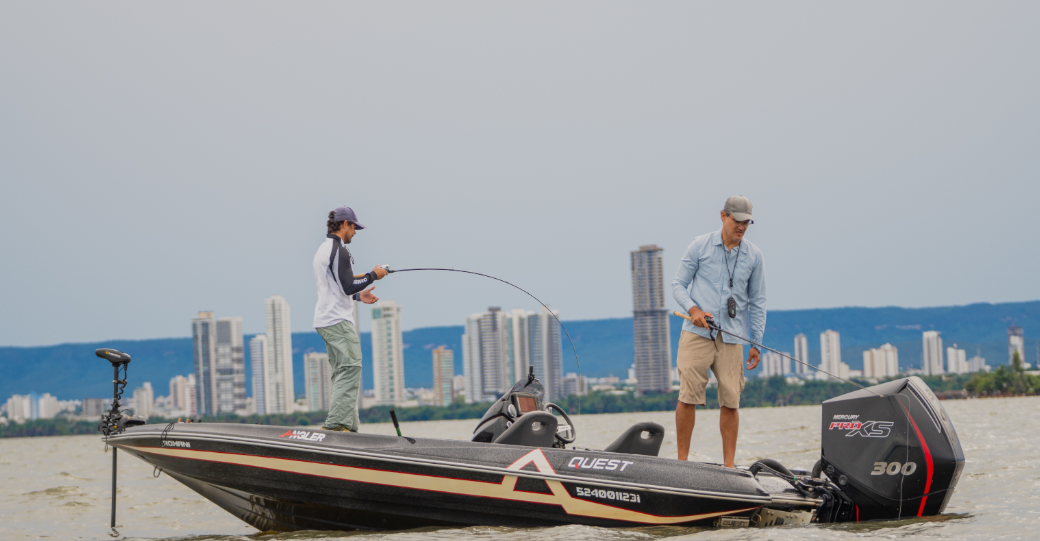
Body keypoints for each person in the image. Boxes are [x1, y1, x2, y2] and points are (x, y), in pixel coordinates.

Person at [671, 195, 766, 467]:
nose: (742, 227)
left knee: (731, 400)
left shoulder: (754, 255)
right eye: (737, 220)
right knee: (688, 396)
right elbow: (678, 284)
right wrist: (694, 310)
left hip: (733, 338)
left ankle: (729, 466)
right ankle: (682, 463)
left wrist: (756, 343)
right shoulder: (699, 245)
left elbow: (758, 301)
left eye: (746, 222)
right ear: (723, 216)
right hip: (696, 333)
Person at [313, 206, 388, 432]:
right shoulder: (339, 250)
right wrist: (375, 275)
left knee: (343, 371)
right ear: (345, 224)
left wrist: (358, 295)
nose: (355, 232)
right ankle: (336, 426)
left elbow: (337, 285)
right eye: (354, 227)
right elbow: (346, 285)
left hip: (326, 319)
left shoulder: (323, 249)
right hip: (337, 320)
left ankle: (350, 428)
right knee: (351, 367)